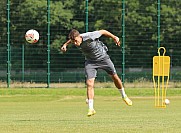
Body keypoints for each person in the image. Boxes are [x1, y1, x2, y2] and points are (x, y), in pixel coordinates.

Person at [61, 29, 132, 117]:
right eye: (73, 42)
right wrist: (65, 45)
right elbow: (70, 40)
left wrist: (114, 37)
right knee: (89, 83)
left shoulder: (90, 36)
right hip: (91, 62)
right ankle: (91, 108)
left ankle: (124, 96)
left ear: (80, 37)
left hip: (103, 58)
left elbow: (103, 31)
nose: (75, 43)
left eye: (76, 41)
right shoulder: (75, 39)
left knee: (115, 77)